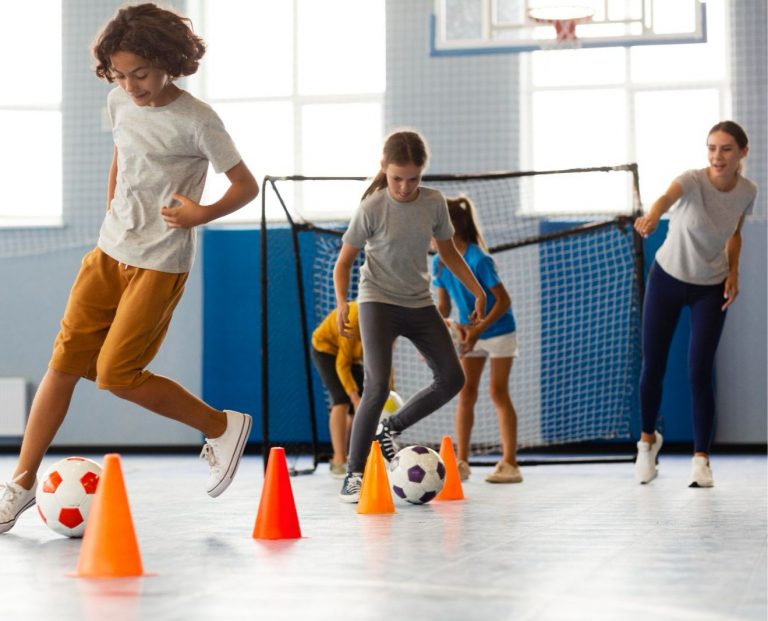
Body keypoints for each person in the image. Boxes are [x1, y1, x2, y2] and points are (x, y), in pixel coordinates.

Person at [0, 3, 259, 534]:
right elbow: (123, 153)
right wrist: (113, 206)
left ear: (168, 60)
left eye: (140, 72)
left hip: (160, 263)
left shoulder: (198, 119)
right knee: (65, 363)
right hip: (107, 254)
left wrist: (201, 213)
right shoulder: (119, 102)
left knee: (117, 374)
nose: (131, 84)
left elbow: (244, 184)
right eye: (120, 75)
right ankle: (21, 485)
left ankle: (221, 425)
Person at [334, 129, 487, 503]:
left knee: (453, 378)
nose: (404, 187)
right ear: (384, 169)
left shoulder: (434, 204)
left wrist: (477, 290)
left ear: (423, 173)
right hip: (376, 302)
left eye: (413, 178)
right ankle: (354, 473)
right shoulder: (372, 208)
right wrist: (342, 303)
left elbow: (449, 255)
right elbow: (343, 264)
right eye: (396, 178)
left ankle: (390, 428)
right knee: (377, 386)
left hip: (418, 303)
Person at [633, 120, 756, 488]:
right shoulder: (691, 179)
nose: (717, 156)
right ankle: (646, 443)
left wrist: (734, 271)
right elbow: (664, 200)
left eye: (726, 149)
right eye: (712, 148)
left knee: (698, 370)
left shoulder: (747, 191)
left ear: (742, 153)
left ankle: (701, 460)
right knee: (652, 364)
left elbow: (735, 233)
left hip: (710, 286)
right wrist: (652, 217)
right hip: (667, 279)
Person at [433, 196, 522, 484]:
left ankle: (509, 463)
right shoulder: (438, 263)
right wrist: (433, 332)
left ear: (449, 228)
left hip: (498, 331)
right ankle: (462, 462)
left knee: (498, 392)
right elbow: (444, 307)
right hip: (468, 332)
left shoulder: (479, 259)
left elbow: (503, 300)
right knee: (465, 393)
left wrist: (478, 330)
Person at [311, 302, 364, 478]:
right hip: (326, 348)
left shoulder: (386, 326)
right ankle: (338, 459)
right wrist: (354, 397)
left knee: (363, 401)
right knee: (342, 399)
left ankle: (352, 454)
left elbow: (385, 366)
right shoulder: (353, 320)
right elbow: (342, 364)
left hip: (351, 355)